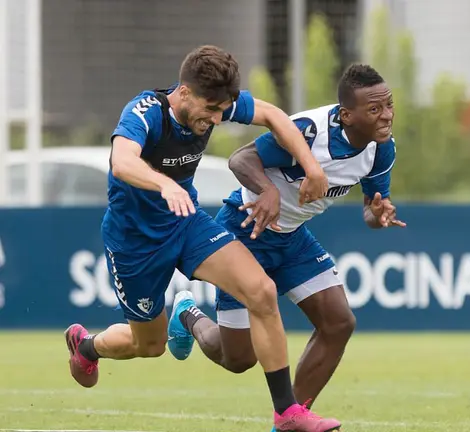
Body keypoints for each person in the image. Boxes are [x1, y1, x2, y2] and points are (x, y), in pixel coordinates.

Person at [63, 45, 342, 432]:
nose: (215, 119)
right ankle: (87, 346)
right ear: (184, 91)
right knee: (150, 345)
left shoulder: (218, 104)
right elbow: (122, 161)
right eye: (210, 110)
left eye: (221, 111)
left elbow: (275, 116)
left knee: (260, 291)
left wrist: (312, 168)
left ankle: (287, 413)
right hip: (134, 243)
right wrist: (164, 185)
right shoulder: (145, 112)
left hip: (186, 223)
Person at [166, 64, 404, 424]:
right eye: (375, 109)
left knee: (339, 323)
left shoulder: (381, 149)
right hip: (247, 229)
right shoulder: (310, 133)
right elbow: (241, 158)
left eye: (389, 105)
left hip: (292, 238)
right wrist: (268, 190)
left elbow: (371, 214)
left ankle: (291, 419)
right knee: (238, 359)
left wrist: (378, 215)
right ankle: (187, 313)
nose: (386, 115)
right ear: (347, 115)